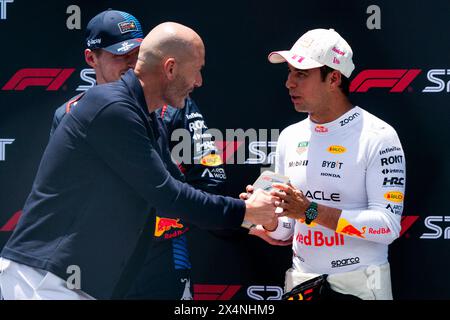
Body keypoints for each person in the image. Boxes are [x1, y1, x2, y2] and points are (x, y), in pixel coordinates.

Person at [0, 22, 280, 300]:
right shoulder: (111, 107)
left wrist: (249, 221)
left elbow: (183, 192)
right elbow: (168, 196)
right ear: (170, 68)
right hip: (44, 279)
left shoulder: (145, 117)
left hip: (79, 282)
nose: (198, 82)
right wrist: (246, 212)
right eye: (197, 70)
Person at [242, 28, 406, 300]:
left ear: (333, 78)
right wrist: (267, 218)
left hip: (361, 286)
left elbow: (387, 226)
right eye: (290, 73)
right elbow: (287, 229)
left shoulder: (379, 136)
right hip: (302, 283)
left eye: (301, 74)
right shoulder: (289, 136)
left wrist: (310, 210)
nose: (289, 83)